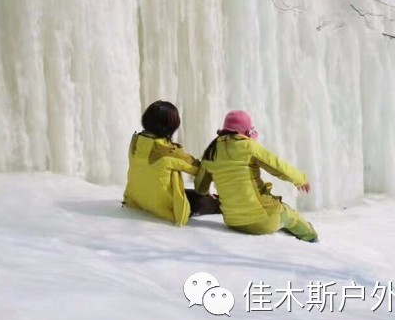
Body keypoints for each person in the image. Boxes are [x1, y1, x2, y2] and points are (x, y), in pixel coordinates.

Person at [195, 110, 318, 242]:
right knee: (289, 215)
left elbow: (200, 188)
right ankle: (312, 238)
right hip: (262, 220)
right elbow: (277, 166)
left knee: (274, 211)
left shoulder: (211, 152)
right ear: (246, 132)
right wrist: (301, 179)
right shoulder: (249, 147)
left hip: (232, 221)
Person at [123, 100, 221, 226]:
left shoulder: (136, 143)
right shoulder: (168, 151)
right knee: (214, 202)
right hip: (165, 208)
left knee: (180, 190)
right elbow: (200, 168)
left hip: (136, 200)